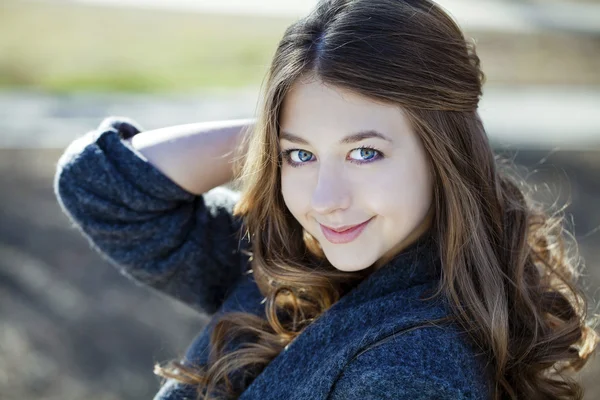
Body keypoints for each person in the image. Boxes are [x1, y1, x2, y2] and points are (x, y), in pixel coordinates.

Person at [53, 0, 599, 399]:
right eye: (300, 157)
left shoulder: (410, 373)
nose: (325, 200)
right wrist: (282, 132)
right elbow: (100, 188)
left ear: (444, 154)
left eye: (365, 154)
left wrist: (307, 135)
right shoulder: (295, 262)